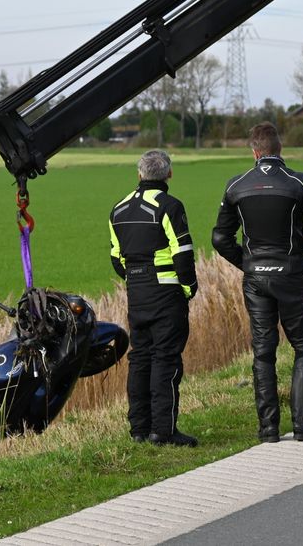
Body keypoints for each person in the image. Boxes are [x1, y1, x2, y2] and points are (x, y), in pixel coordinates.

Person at [211, 122, 303, 443]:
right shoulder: (300, 182)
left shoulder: (235, 185)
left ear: (254, 151)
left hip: (256, 279)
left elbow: (220, 237)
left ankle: (268, 429)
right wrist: (295, 250)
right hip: (290, 274)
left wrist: (247, 263)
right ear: (280, 149)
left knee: (263, 351)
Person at [108, 150, 200, 446]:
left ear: (139, 174)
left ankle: (138, 429)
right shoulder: (170, 206)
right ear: (169, 174)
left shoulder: (117, 208)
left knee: (140, 358)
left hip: (136, 292)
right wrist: (188, 287)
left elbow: (116, 258)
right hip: (166, 291)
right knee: (165, 359)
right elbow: (182, 252)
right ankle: (164, 430)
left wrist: (136, 280)